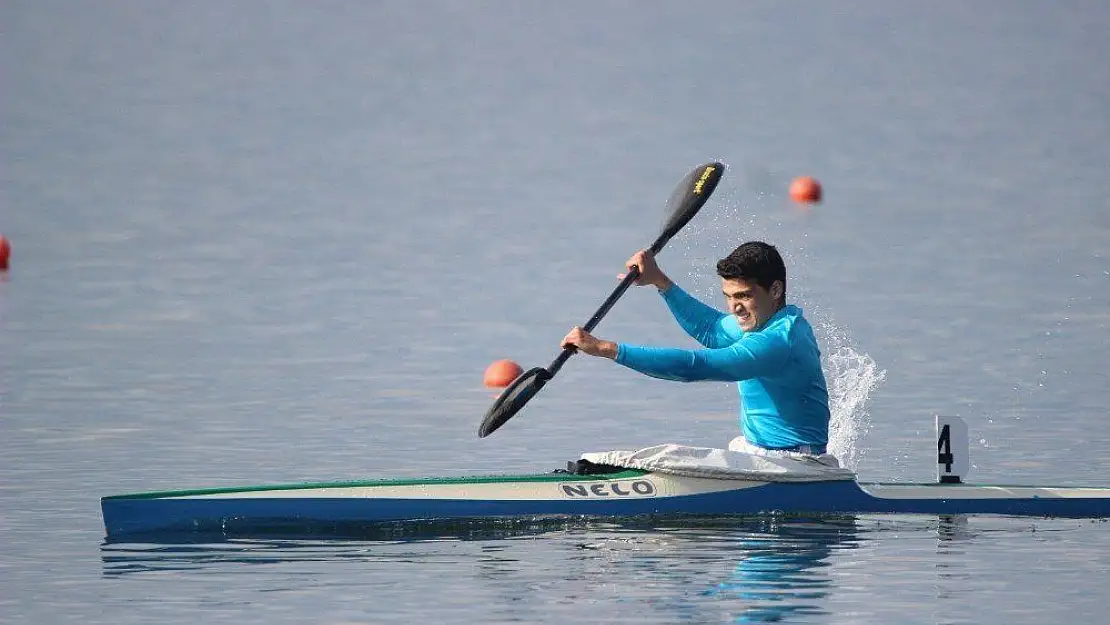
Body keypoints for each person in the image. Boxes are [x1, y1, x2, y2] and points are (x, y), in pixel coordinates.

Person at [560, 241, 831, 456]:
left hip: (795, 464)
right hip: (760, 453)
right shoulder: (765, 321)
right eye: (728, 297)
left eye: (744, 296)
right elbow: (712, 328)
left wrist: (605, 348)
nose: (735, 308)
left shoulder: (778, 342)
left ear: (775, 290)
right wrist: (660, 281)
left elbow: (694, 366)